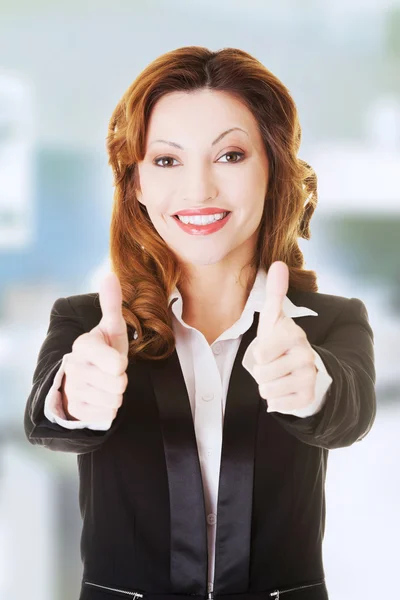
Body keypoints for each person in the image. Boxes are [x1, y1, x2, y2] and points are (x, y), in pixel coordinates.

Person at [24, 46, 376, 600]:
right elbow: (45, 420)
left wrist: (312, 389)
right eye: (166, 161)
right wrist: (74, 396)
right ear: (136, 183)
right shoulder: (87, 322)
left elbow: (349, 416)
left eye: (230, 156)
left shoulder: (329, 323)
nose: (198, 191)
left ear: (273, 168)